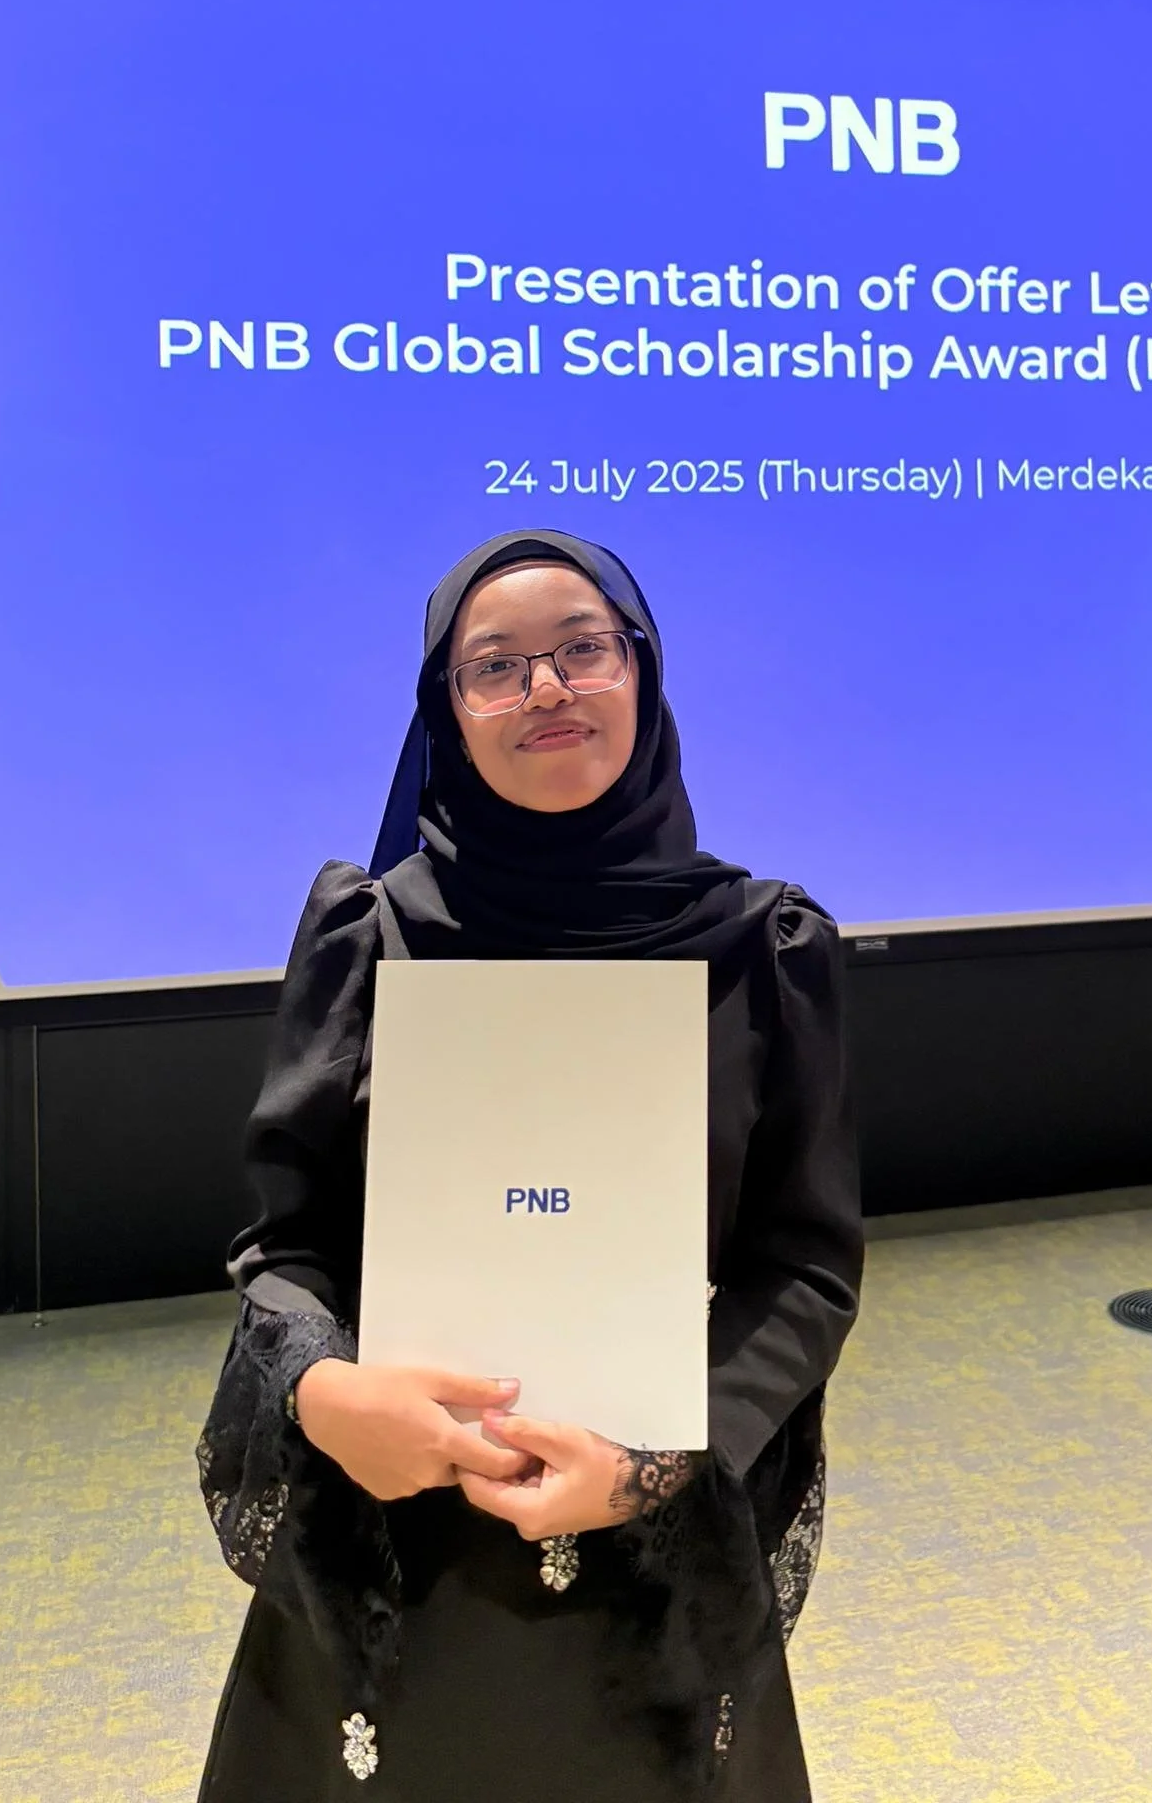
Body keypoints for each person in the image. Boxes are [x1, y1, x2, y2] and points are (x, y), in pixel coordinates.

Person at [196, 528, 862, 1799]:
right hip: (393, 1541)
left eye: (582, 650)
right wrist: (323, 1392)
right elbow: (284, 1248)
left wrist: (660, 1461)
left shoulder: (766, 950)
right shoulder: (370, 937)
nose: (546, 687)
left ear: (642, 672)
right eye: (495, 666)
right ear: (446, 712)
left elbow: (806, 1268)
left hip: (654, 1555)